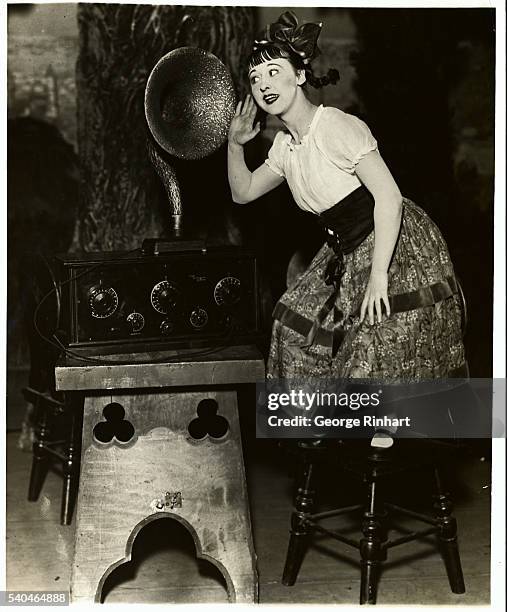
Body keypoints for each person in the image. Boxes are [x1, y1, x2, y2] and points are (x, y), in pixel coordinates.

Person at [227, 12, 467, 445]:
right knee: (291, 323)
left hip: (394, 239)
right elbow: (242, 192)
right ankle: (317, 422)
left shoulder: (335, 126)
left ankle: (383, 421)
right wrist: (234, 144)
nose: (263, 84)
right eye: (255, 76)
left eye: (275, 72)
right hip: (342, 250)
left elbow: (389, 199)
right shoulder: (285, 147)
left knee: (377, 332)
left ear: (300, 75)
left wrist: (379, 277)